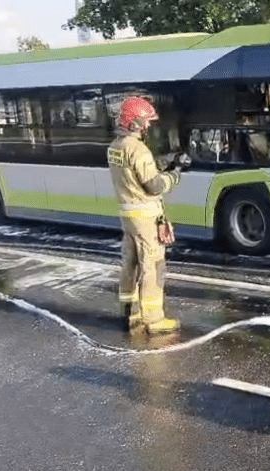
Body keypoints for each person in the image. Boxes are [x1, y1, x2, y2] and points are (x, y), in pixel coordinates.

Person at [107, 96, 190, 333]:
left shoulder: (115, 147)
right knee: (152, 265)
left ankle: (129, 312)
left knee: (130, 264)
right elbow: (153, 185)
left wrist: (165, 162)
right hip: (146, 217)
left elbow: (134, 172)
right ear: (135, 123)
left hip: (128, 217)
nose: (148, 127)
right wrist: (176, 173)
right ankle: (154, 320)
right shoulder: (138, 149)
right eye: (145, 122)